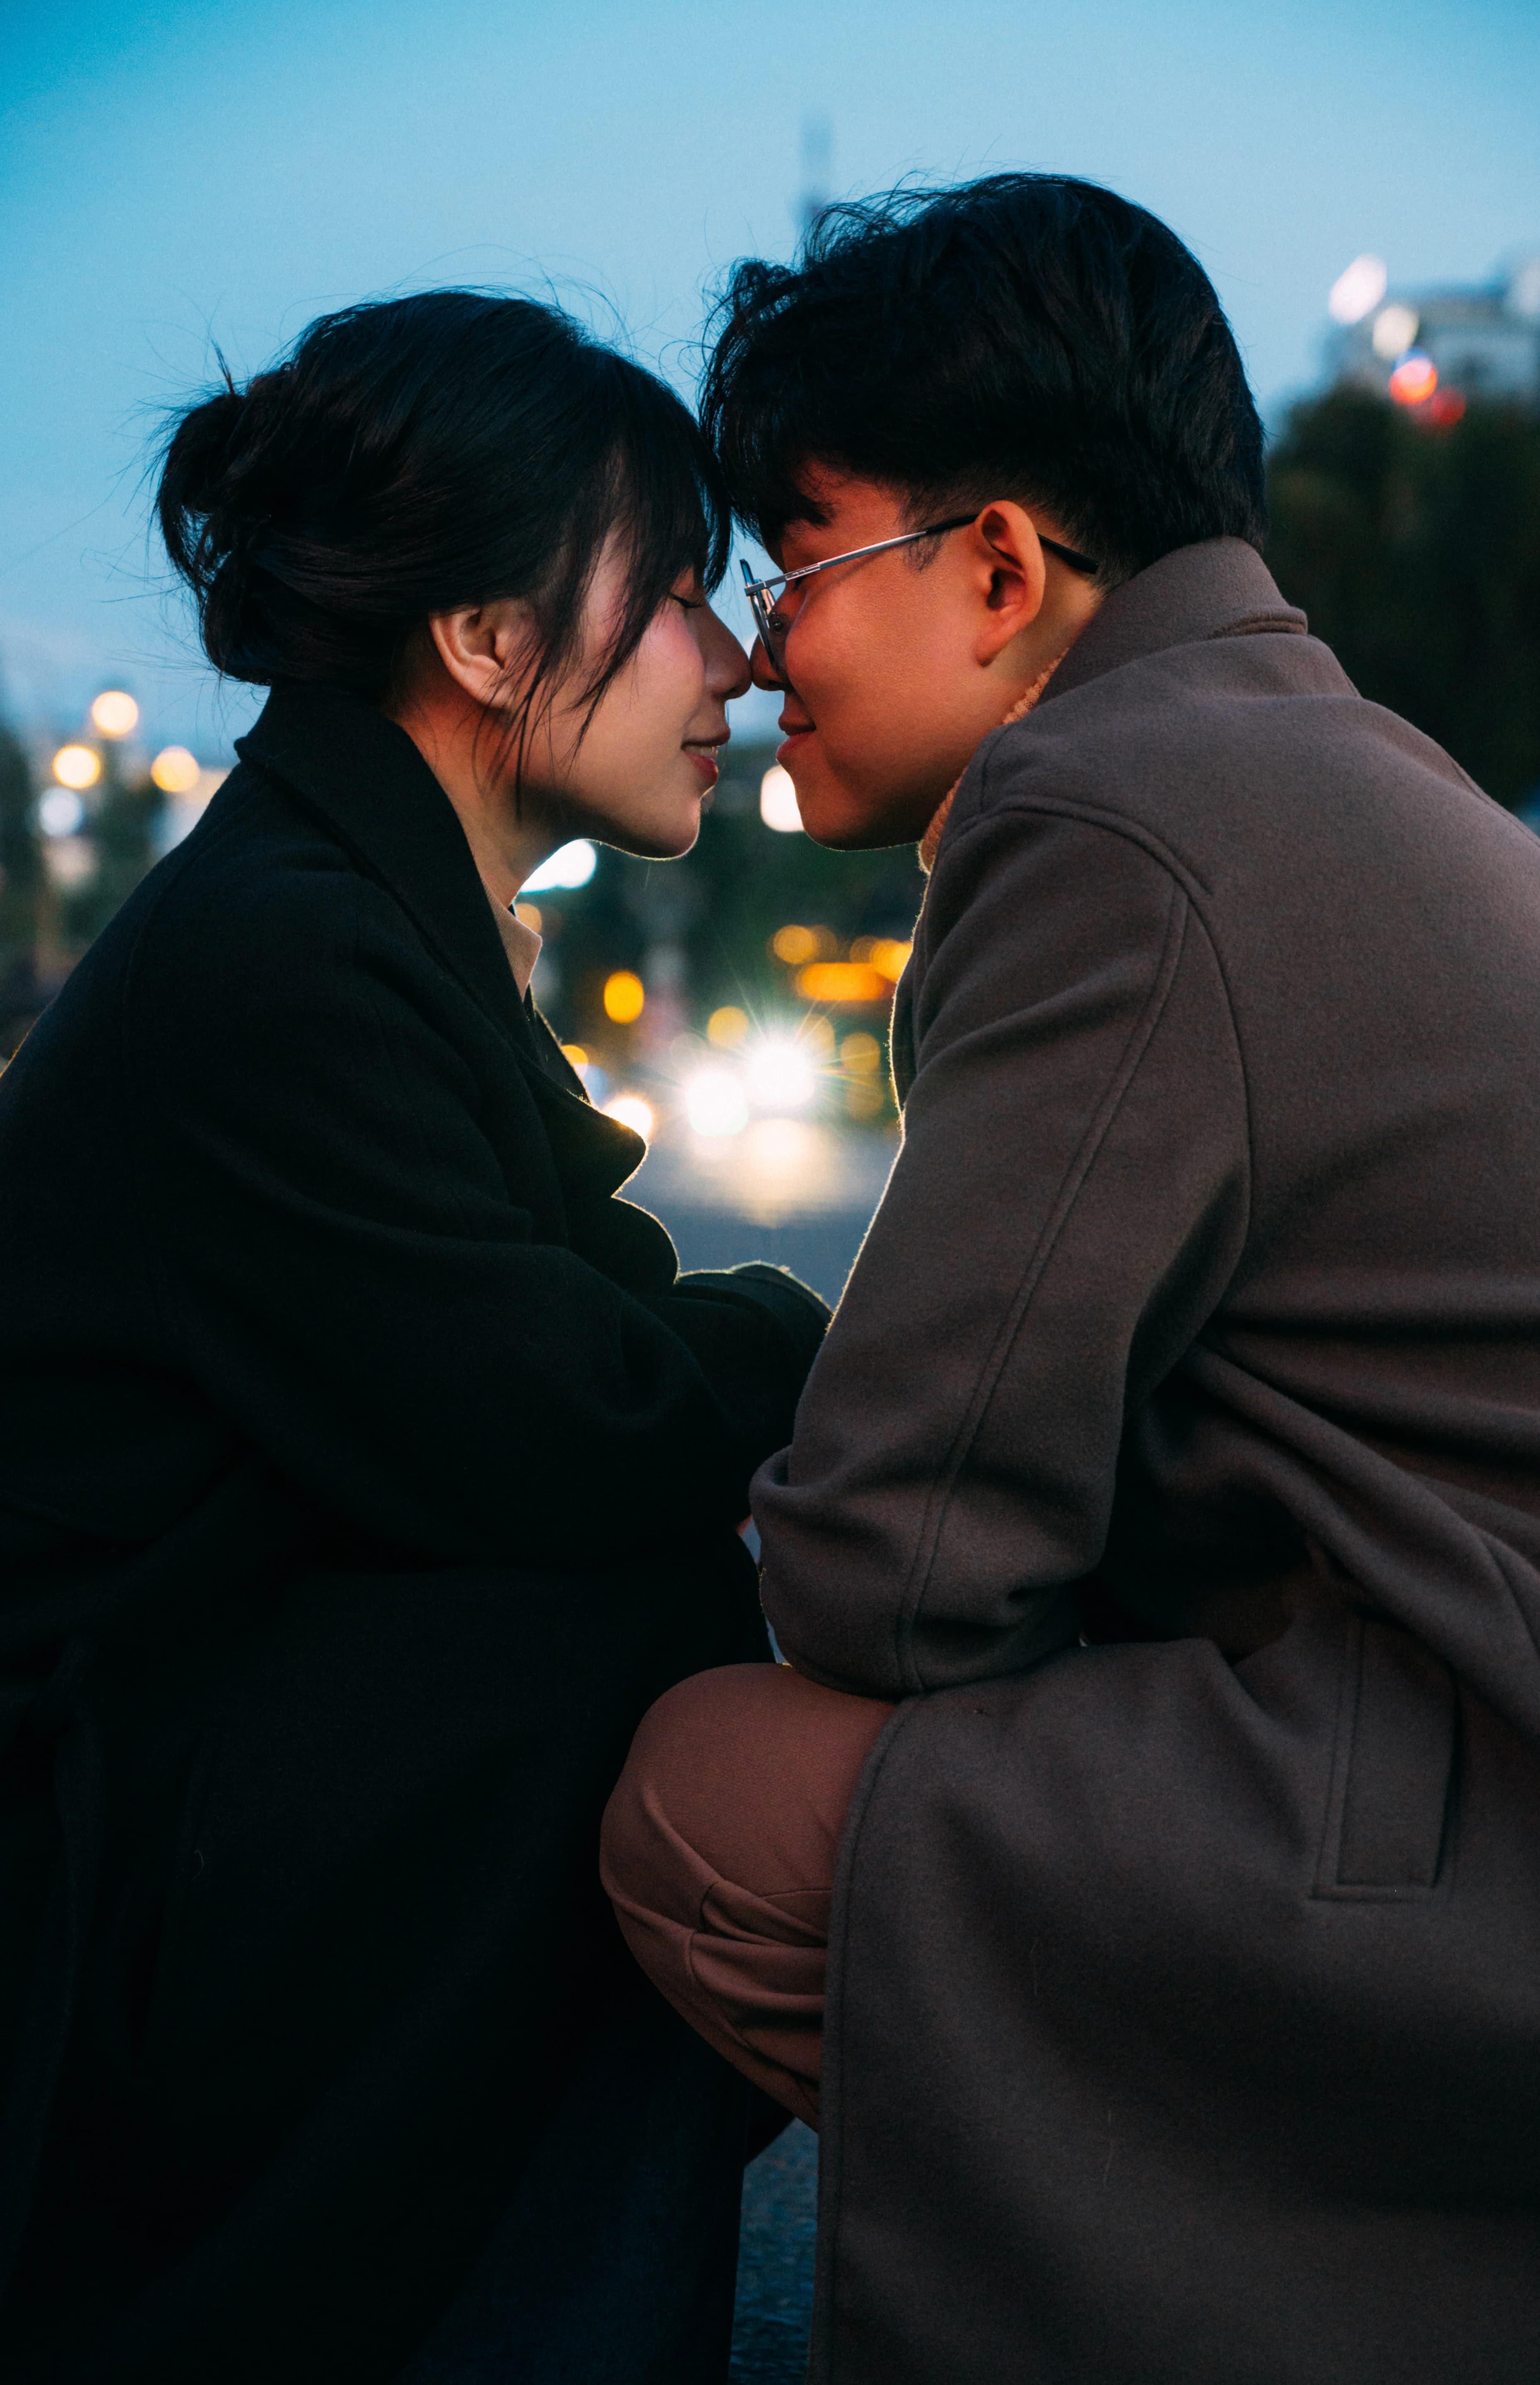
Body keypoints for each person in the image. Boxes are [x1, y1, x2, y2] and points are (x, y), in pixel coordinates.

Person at [602, 177, 1540, 2384]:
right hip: (1508, 1746)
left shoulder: (1105, 815)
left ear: (998, 566)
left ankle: (1279, 2282)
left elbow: (898, 1565)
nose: (756, 651)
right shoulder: (1332, 753)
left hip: (1523, 1833)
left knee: (714, 1785)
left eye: (791, 565)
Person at [0, 290, 827, 2383]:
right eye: (666, 597)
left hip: (214, 1771)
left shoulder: (359, 906)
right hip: (101, 1867)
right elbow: (553, 1416)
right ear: (480, 639)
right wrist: (837, 1339)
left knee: (651, 1622)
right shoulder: (280, 954)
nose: (734, 658)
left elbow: (572, 1352)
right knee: (637, 1636)